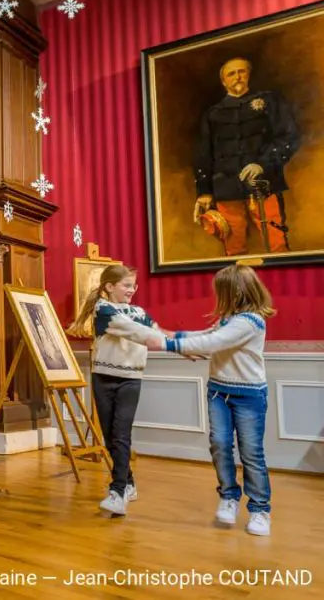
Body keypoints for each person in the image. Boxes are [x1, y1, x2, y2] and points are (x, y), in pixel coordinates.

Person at [146, 264, 274, 536]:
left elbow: (214, 343)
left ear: (235, 291)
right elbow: (206, 337)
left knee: (252, 454)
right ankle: (229, 496)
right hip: (219, 391)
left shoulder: (251, 321)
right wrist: (171, 334)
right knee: (219, 444)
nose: (218, 297)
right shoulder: (228, 318)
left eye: (221, 291)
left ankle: (260, 509)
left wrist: (166, 345)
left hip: (249, 395)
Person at [67, 264, 172, 516]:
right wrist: (159, 336)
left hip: (130, 379)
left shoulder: (139, 311)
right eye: (126, 285)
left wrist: (188, 343)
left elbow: (157, 332)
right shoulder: (103, 310)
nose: (131, 290)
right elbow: (134, 331)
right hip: (103, 378)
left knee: (122, 433)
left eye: (133, 286)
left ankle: (117, 491)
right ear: (109, 287)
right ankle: (129, 483)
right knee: (110, 437)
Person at [193, 57, 299, 256]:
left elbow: (288, 137)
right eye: (231, 74)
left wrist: (262, 165)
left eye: (242, 71)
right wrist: (204, 191)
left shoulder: (270, 101)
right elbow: (204, 154)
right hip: (226, 189)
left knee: (277, 247)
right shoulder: (212, 114)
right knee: (234, 251)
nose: (237, 77)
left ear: (249, 74)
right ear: (224, 81)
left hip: (264, 186)